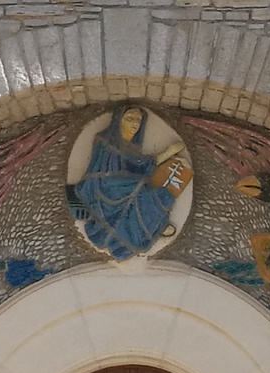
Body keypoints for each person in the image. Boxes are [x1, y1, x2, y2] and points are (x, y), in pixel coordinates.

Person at [67, 106, 191, 259]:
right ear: (119, 121)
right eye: (130, 119)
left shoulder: (131, 147)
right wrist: (168, 152)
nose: (135, 124)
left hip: (122, 186)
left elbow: (138, 165)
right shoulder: (104, 141)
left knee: (162, 195)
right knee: (139, 185)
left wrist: (169, 155)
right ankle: (146, 229)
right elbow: (104, 170)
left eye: (138, 120)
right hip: (102, 186)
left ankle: (149, 226)